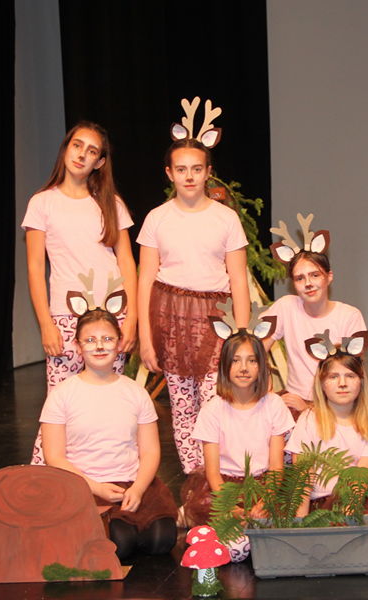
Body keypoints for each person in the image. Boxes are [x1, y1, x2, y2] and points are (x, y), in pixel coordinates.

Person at [136, 97, 251, 474]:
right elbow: (145, 280)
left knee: (215, 400)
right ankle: (195, 476)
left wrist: (242, 335)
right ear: (169, 173)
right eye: (181, 169)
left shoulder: (225, 218)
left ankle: (221, 474)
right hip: (170, 319)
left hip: (216, 320)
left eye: (196, 169)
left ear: (208, 172)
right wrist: (146, 338)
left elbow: (238, 279)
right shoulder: (157, 218)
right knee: (182, 403)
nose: (189, 176)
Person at [22, 121, 136, 464]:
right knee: (61, 404)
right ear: (66, 148)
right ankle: (46, 478)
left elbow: (127, 263)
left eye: (92, 151)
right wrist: (46, 324)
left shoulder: (110, 203)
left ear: (99, 162)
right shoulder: (42, 203)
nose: (82, 155)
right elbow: (34, 269)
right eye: (77, 145)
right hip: (66, 316)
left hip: (112, 316)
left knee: (106, 401)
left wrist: (131, 321)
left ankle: (102, 472)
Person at [40, 307, 177, 560]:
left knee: (162, 540)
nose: (99, 346)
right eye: (90, 340)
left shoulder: (135, 393)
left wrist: (138, 488)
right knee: (120, 545)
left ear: (119, 342)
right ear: (78, 346)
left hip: (130, 484)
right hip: (85, 486)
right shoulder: (62, 395)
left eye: (107, 338)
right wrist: (96, 488)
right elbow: (54, 457)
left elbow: (150, 451)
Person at [286, 331, 368, 517]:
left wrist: (350, 518)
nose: (342, 383)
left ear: (361, 382)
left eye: (350, 376)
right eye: (333, 377)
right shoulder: (309, 419)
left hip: (359, 497)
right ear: (322, 383)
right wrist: (300, 523)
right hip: (321, 504)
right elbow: (303, 478)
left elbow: (362, 476)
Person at [180, 328, 295, 535]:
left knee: (279, 518)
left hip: (263, 484)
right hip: (224, 486)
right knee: (215, 519)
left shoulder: (274, 404)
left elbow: (276, 467)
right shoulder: (213, 409)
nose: (243, 368)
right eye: (235, 361)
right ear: (225, 366)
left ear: (261, 366)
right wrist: (229, 506)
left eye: (252, 361)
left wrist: (264, 501)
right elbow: (213, 473)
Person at [263, 214, 366, 416]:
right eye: (300, 278)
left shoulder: (349, 316)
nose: (308, 283)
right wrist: (266, 386)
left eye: (315, 275)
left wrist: (311, 408)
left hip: (336, 406)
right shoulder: (286, 307)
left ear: (329, 277)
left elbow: (351, 374)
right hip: (295, 402)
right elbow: (255, 348)